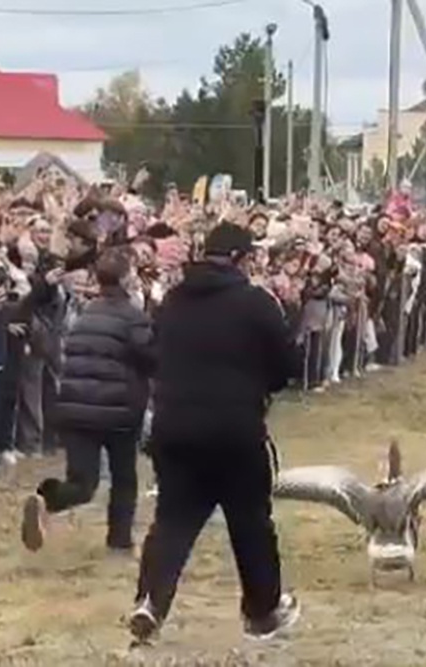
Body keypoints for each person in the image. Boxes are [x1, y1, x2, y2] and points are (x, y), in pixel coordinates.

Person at [129, 222, 300, 645]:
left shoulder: (173, 300)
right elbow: (285, 368)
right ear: (241, 258)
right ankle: (261, 612)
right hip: (235, 429)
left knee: (172, 521)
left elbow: (152, 354)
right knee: (250, 523)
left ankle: (150, 600)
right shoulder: (256, 302)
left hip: (175, 427)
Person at [21, 248, 155, 553]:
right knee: (124, 479)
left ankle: (45, 500)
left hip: (76, 409)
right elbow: (151, 357)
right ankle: (119, 541)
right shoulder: (133, 318)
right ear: (125, 279)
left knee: (82, 484)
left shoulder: (85, 315)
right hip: (118, 410)